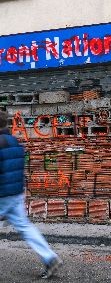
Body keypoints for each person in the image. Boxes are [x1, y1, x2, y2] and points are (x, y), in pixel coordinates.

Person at [0, 110, 62, 279]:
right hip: (16, 194)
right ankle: (50, 258)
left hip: (3, 196)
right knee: (25, 227)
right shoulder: (15, 142)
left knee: (24, 227)